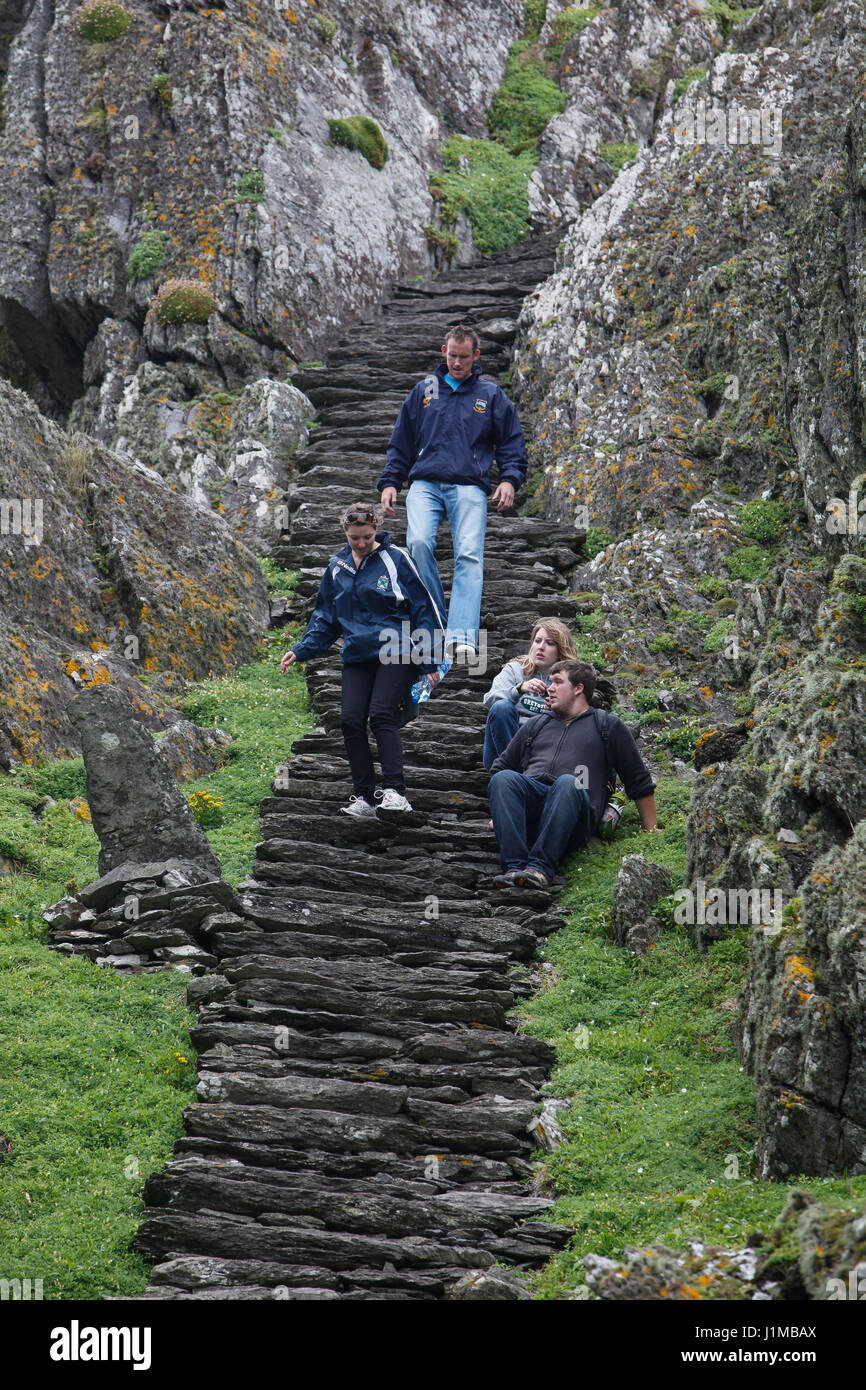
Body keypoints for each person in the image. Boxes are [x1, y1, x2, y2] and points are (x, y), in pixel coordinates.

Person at [280, 502, 444, 817]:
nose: (361, 544)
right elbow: (326, 618)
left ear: (376, 530)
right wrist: (301, 649)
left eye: (367, 537)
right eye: (355, 538)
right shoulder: (337, 567)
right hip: (357, 653)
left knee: (381, 714)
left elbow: (424, 609)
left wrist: (429, 661)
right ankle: (364, 798)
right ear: (346, 533)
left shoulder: (397, 560)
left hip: (397, 650)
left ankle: (395, 792)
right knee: (350, 720)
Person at [377, 323, 528, 662]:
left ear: (476, 356)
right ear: (443, 352)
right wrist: (390, 482)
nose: (457, 363)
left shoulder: (490, 396)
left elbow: (512, 442)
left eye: (463, 357)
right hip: (424, 483)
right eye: (452, 356)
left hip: (470, 486)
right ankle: (433, 627)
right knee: (417, 545)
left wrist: (509, 479)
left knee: (469, 555)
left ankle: (462, 637)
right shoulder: (424, 391)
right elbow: (401, 442)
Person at [488, 659, 659, 888]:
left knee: (568, 782)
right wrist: (499, 813)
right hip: (532, 808)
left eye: (558, 682)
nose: (550, 687)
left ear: (579, 688)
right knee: (503, 779)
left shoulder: (607, 725)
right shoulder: (536, 724)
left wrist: (652, 830)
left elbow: (638, 780)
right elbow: (501, 767)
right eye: (550, 682)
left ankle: (539, 869)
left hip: (574, 813)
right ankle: (514, 868)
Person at [482, 618, 577, 770]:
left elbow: (577, 719)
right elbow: (490, 700)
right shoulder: (514, 670)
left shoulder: (568, 681)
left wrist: (557, 707)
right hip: (504, 751)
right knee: (502, 707)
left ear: (561, 650)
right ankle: (515, 774)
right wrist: (519, 689)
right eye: (537, 641)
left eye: (549, 643)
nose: (541, 647)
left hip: (542, 752)